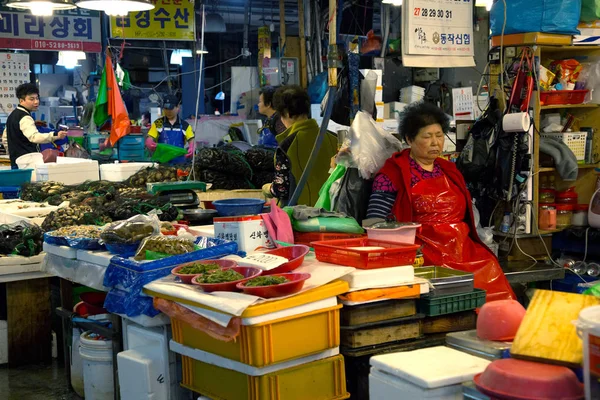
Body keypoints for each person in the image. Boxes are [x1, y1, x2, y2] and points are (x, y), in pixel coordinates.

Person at [366, 102, 515, 302]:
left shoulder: (449, 170)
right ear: (410, 139)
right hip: (423, 252)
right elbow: (375, 222)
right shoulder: (393, 173)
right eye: (427, 137)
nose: (436, 142)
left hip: (463, 248)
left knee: (490, 266)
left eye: (439, 136)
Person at [267, 85, 337, 206]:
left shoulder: (287, 145)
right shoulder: (333, 138)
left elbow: (282, 189)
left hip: (301, 217)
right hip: (333, 214)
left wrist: (267, 188)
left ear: (286, 113)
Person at [3, 83, 67, 169]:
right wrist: (55, 135)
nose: (36, 102)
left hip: (16, 162)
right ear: (21, 100)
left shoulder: (13, 115)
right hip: (27, 164)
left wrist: (13, 152)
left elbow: (5, 138)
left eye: (37, 98)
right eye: (31, 99)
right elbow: (34, 137)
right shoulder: (25, 117)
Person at [145, 94, 195, 164]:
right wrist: (149, 141)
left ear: (178, 107)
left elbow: (191, 139)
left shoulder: (185, 125)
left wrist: (191, 147)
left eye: (171, 109)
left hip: (179, 163)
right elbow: (150, 136)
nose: (168, 111)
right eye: (166, 109)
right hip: (162, 163)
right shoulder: (158, 123)